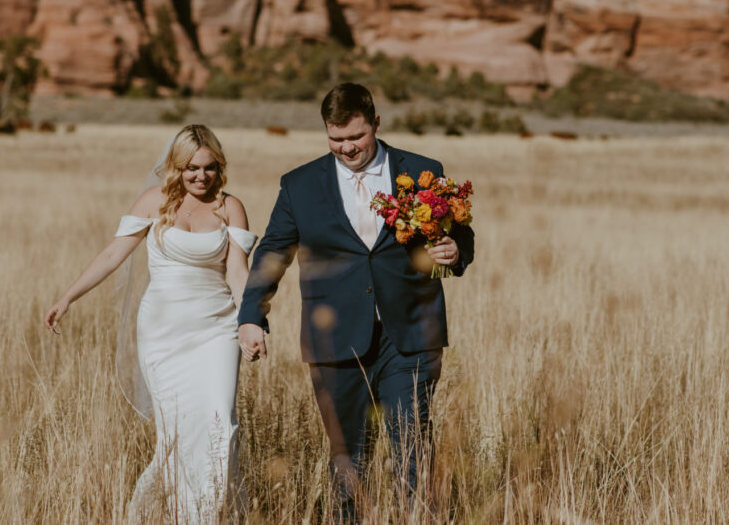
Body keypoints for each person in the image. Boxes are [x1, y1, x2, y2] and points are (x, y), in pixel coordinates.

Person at [237, 83, 475, 516]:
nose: (347, 148)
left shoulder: (423, 170)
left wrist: (456, 251)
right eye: (336, 139)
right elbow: (273, 252)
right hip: (335, 341)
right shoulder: (300, 184)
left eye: (356, 137)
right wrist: (252, 314)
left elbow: (459, 232)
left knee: (413, 453)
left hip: (411, 336)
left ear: (376, 124)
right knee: (349, 462)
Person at [43, 125, 257, 523]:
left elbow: (239, 273)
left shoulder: (231, 207)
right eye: (191, 167)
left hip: (217, 329)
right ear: (177, 166)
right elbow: (112, 256)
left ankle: (205, 516)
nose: (200, 176)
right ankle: (163, 514)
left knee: (218, 422)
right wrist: (68, 297)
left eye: (209, 168)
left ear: (219, 168)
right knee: (174, 433)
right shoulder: (153, 202)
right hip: (163, 333)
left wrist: (252, 322)